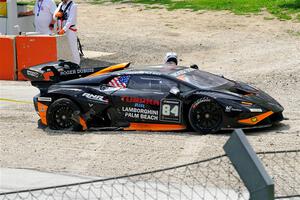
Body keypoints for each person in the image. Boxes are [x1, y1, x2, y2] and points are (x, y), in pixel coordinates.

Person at [53, 0, 80, 65]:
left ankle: (77, 64)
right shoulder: (60, 4)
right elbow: (54, 16)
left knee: (73, 48)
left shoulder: (73, 5)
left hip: (69, 30)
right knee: (62, 48)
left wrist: (64, 29)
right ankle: (65, 64)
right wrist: (56, 15)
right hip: (60, 30)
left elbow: (71, 20)